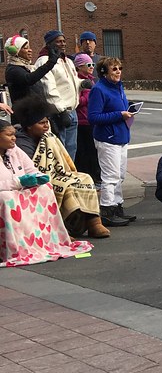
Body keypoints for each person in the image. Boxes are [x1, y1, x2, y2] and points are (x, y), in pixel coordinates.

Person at [13, 96, 109, 240]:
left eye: (47, 122)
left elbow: (61, 158)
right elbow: (32, 167)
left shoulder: (48, 136)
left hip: (57, 172)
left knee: (85, 178)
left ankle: (94, 222)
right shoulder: (22, 142)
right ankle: (60, 229)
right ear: (29, 126)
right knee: (65, 186)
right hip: (37, 178)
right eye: (41, 123)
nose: (46, 126)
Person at [0, 120, 92, 266]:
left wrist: (38, 179)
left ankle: (48, 238)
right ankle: (16, 246)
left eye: (14, 134)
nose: (14, 138)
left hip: (18, 192)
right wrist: (19, 182)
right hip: (5, 194)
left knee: (46, 189)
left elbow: (32, 170)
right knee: (6, 197)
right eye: (9, 135)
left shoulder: (15, 150)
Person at [87, 56, 135, 228]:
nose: (118, 72)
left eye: (120, 68)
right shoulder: (99, 90)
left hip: (121, 137)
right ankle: (107, 210)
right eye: (114, 69)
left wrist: (129, 109)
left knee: (120, 175)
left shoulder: (118, 87)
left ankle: (117, 206)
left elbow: (120, 108)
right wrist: (120, 115)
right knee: (110, 176)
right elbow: (93, 117)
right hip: (107, 139)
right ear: (104, 72)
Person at [34, 30, 81, 161]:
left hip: (72, 111)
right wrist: (61, 110)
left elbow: (72, 82)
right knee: (60, 150)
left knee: (71, 148)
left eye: (64, 41)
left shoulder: (66, 60)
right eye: (59, 41)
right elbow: (49, 88)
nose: (63, 44)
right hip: (58, 114)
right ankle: (60, 178)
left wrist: (82, 84)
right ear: (49, 44)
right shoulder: (45, 61)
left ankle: (71, 176)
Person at [4, 35, 58, 115]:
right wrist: (50, 63)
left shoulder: (26, 67)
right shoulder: (13, 69)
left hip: (36, 113)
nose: (30, 50)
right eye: (25, 48)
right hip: (25, 116)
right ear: (15, 51)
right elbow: (29, 79)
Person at [72, 53, 101, 183]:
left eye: (92, 64)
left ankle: (96, 176)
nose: (91, 67)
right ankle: (87, 177)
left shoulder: (90, 80)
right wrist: (89, 95)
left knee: (93, 151)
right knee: (84, 152)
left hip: (91, 120)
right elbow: (75, 100)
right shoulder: (77, 81)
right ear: (79, 66)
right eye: (88, 64)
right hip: (81, 121)